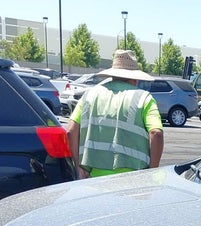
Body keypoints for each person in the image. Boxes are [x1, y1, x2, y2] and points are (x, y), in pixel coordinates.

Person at [67, 49, 164, 178]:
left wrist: (78, 166)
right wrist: (152, 172)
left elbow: (70, 131)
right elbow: (156, 134)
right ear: (135, 78)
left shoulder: (89, 95)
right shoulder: (144, 98)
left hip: (93, 178)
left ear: (112, 75)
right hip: (133, 179)